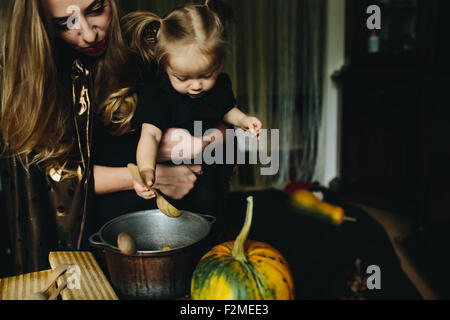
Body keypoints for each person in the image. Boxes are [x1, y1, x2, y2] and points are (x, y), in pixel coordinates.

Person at [0, 0, 226, 276]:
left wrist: (200, 140)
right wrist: (151, 175)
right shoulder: (35, 75)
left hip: (180, 232)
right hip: (96, 242)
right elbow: (51, 177)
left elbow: (223, 121)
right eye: (64, 23)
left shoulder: (148, 45)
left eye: (96, 10)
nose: (89, 34)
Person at [120, 2, 262, 201]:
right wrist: (146, 170)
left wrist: (244, 121)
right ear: (165, 66)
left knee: (218, 210)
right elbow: (150, 135)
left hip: (217, 170)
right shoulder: (158, 94)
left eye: (206, 75)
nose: (196, 86)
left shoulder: (221, 85)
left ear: (219, 64)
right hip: (184, 179)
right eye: (182, 78)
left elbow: (226, 110)